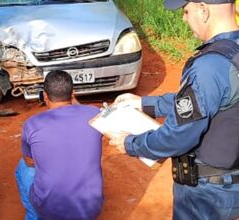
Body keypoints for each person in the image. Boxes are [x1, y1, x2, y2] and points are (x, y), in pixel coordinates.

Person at [107, 0, 239, 219]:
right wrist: (145, 103)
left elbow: (177, 136)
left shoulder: (209, 66)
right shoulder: (232, 53)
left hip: (207, 195)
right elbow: (215, 99)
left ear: (203, 10)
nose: (184, 18)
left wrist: (131, 143)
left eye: (186, 11)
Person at [15, 70, 103, 220]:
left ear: (44, 96)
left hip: (51, 210)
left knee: (23, 167)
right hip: (91, 208)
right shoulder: (95, 114)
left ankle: (34, 216)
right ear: (73, 93)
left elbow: (30, 162)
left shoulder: (32, 124)